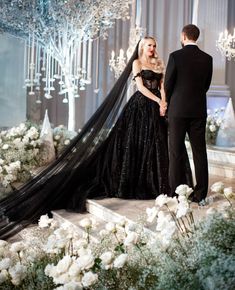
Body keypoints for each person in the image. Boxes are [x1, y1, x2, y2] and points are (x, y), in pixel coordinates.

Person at [0, 36, 192, 239]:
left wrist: (163, 103)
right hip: (140, 107)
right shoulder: (137, 63)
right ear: (142, 47)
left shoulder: (157, 63)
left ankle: (154, 183)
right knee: (134, 146)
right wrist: (157, 101)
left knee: (155, 147)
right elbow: (141, 88)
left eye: (154, 45)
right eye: (149, 45)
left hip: (156, 109)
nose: (152, 49)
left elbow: (162, 86)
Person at [164, 24, 213, 204]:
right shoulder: (208, 59)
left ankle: (177, 194)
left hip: (177, 110)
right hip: (198, 110)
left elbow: (168, 84)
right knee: (200, 152)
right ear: (196, 37)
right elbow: (206, 85)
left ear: (183, 36)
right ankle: (200, 194)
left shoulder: (175, 56)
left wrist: (167, 103)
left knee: (175, 152)